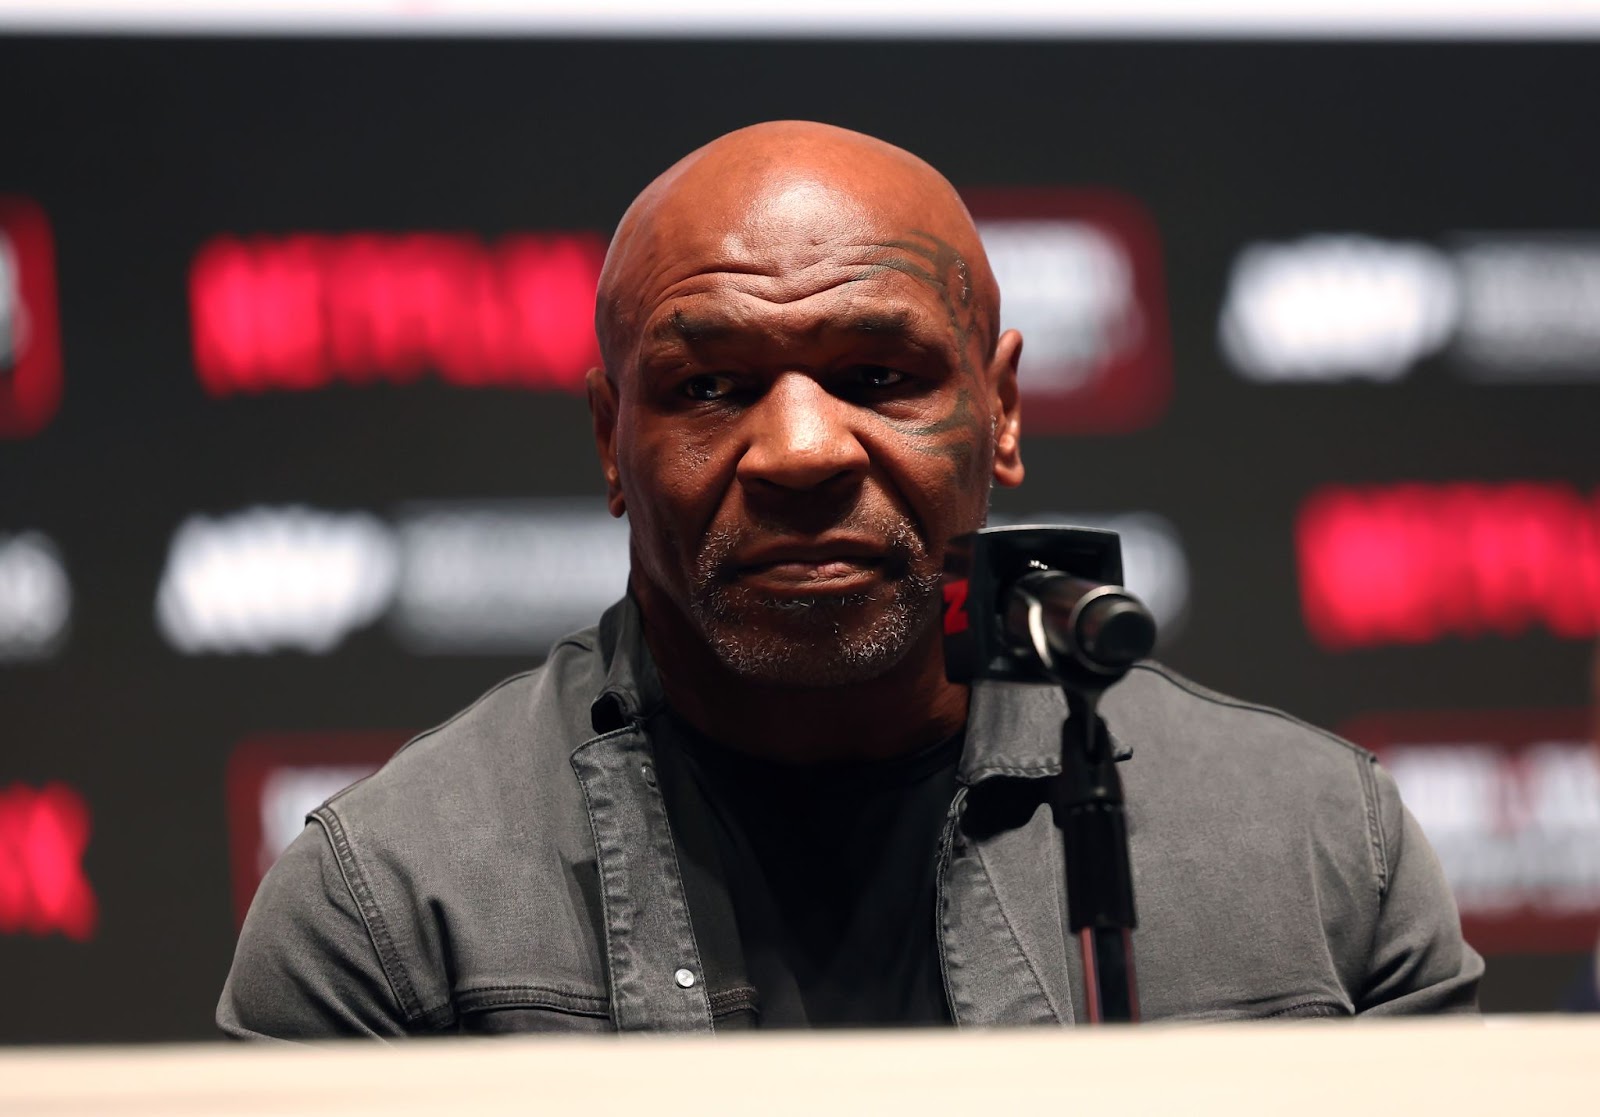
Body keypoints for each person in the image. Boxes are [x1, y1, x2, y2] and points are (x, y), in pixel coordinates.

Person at [218, 121, 1482, 1037]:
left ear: (1000, 411)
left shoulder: (1318, 851)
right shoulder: (389, 899)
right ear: (611, 439)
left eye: (879, 376)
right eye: (709, 386)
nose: (802, 450)